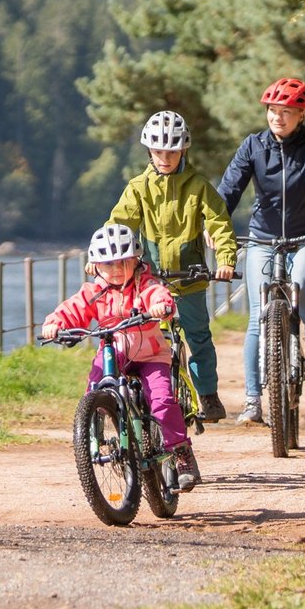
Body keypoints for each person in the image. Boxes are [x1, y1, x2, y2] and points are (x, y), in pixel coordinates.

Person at [215, 77, 305, 424]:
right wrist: (214, 224)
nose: (278, 118)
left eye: (287, 112)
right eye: (273, 111)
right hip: (262, 237)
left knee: (300, 282)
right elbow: (230, 188)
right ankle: (252, 401)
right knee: (255, 320)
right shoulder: (253, 146)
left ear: (302, 114)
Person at [40, 223, 200, 490]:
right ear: (96, 266)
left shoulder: (145, 285)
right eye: (107, 264)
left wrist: (162, 306)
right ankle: (94, 427)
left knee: (161, 400)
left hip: (150, 355)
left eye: (122, 263)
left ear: (136, 260)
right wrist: (54, 323)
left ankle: (181, 452)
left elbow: (157, 295)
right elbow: (73, 308)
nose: (115, 270)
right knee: (94, 385)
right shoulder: (94, 291)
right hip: (114, 353)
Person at [108, 110, 239, 423]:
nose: (164, 157)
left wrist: (225, 260)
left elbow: (219, 223)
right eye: (157, 151)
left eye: (171, 150)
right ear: (149, 151)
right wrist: (106, 257)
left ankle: (208, 395)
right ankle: (145, 394)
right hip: (150, 281)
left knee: (198, 337)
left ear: (184, 149)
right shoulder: (139, 187)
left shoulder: (199, 187)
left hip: (190, 277)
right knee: (145, 338)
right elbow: (120, 223)